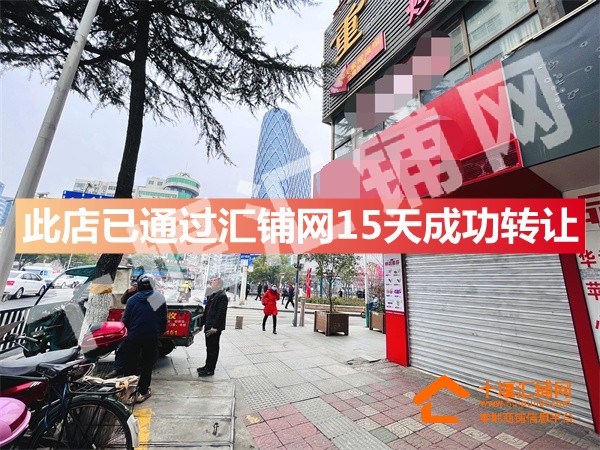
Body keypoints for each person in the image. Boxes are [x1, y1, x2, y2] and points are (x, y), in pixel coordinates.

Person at [121, 274, 167, 403]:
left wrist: (130, 333)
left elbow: (125, 320)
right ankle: (142, 392)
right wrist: (158, 333)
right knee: (147, 365)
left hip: (133, 337)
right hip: (151, 337)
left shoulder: (132, 300)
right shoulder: (159, 298)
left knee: (130, 365)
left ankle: (128, 393)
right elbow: (163, 320)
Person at [197, 277, 229, 377]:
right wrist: (202, 323)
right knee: (209, 347)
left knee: (213, 348)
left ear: (218, 285)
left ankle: (210, 369)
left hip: (214, 328)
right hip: (208, 324)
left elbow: (221, 313)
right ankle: (207, 366)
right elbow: (207, 311)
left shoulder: (222, 296)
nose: (211, 283)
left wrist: (215, 327)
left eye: (213, 282)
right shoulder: (213, 295)